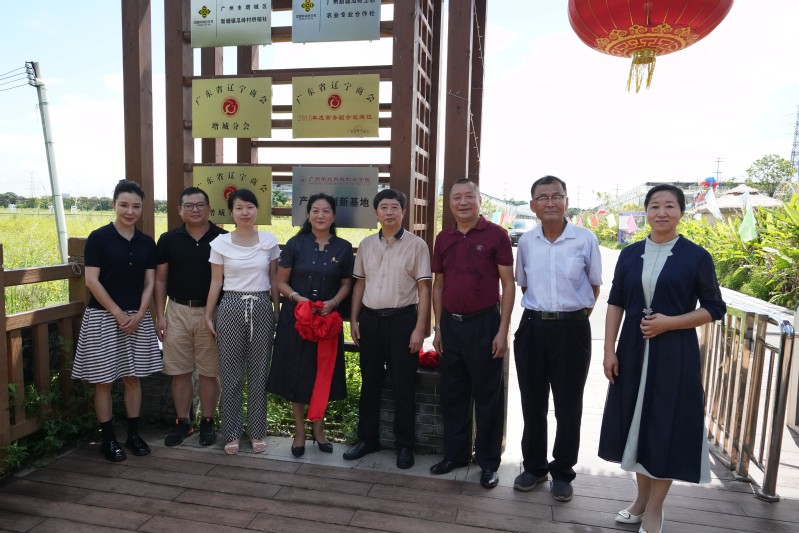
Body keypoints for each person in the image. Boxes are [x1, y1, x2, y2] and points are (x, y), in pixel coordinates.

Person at [598, 184, 726, 533]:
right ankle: (640, 500)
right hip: (632, 352)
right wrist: (609, 350)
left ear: (681, 212)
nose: (662, 212)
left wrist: (670, 322)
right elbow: (615, 302)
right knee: (636, 425)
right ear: (646, 212)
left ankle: (655, 508)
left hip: (675, 356)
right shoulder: (629, 254)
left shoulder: (696, 256)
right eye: (655, 206)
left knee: (665, 427)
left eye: (670, 206)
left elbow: (715, 308)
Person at [512, 175, 602, 502]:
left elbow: (594, 286)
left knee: (568, 405)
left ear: (567, 201)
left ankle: (563, 471)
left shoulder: (585, 239)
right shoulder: (527, 241)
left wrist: (569, 318)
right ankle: (535, 467)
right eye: (543, 197)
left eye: (556, 196)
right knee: (532, 403)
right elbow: (524, 284)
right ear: (533, 205)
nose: (550, 202)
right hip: (533, 327)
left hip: (572, 330)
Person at [429, 178, 515, 489]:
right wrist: (439, 327)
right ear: (449, 202)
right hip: (451, 326)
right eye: (457, 197)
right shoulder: (444, 237)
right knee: (453, 394)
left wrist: (503, 331)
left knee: (488, 397)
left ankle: (488, 463)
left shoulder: (496, 235)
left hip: (484, 325)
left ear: (480, 200)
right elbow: (438, 285)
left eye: (469, 196)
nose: (463, 202)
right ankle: (455, 455)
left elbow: (508, 284)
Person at [72, 179, 161, 462]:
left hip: (137, 318)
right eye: (124, 205)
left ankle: (133, 435)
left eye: (136, 206)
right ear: (114, 205)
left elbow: (150, 281)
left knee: (133, 378)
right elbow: (91, 280)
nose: (130, 211)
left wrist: (141, 314)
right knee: (104, 381)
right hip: (103, 317)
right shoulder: (99, 238)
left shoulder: (147, 242)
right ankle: (108, 439)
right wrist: (118, 313)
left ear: (142, 208)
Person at [343, 189, 432, 469]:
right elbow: (360, 283)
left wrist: (420, 329)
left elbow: (424, 288)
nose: (389, 212)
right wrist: (354, 319)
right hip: (370, 320)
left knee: (404, 384)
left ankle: (405, 445)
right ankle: (367, 439)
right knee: (369, 381)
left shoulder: (417, 245)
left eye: (395, 207)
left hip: (403, 320)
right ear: (376, 213)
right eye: (384, 207)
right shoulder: (367, 244)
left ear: (403, 212)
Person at [268, 193, 354, 457]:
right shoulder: (295, 244)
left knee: (323, 374)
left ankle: (319, 429)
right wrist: (297, 298)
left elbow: (347, 283)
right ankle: (299, 432)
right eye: (315, 211)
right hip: (297, 319)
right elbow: (280, 282)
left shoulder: (343, 247)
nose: (320, 215)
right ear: (308, 215)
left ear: (334, 216)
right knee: (296, 375)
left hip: (327, 321)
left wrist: (334, 302)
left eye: (326, 211)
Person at [205, 188, 280, 455]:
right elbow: (216, 282)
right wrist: (209, 314)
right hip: (230, 305)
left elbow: (274, 280)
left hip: (261, 305)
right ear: (231, 212)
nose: (245, 212)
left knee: (259, 372)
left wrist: (276, 310)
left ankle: (257, 431)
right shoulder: (220, 243)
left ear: (257, 210)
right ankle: (232, 433)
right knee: (231, 373)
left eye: (249, 207)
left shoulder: (269, 242)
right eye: (239, 208)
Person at [154, 186, 227, 447]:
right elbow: (160, 280)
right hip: (176, 310)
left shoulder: (223, 239)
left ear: (209, 208)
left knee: (210, 371)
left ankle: (208, 421)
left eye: (200, 205)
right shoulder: (168, 239)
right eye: (189, 205)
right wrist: (160, 315)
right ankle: (183, 422)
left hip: (213, 312)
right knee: (179, 370)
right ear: (179, 209)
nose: (195, 210)